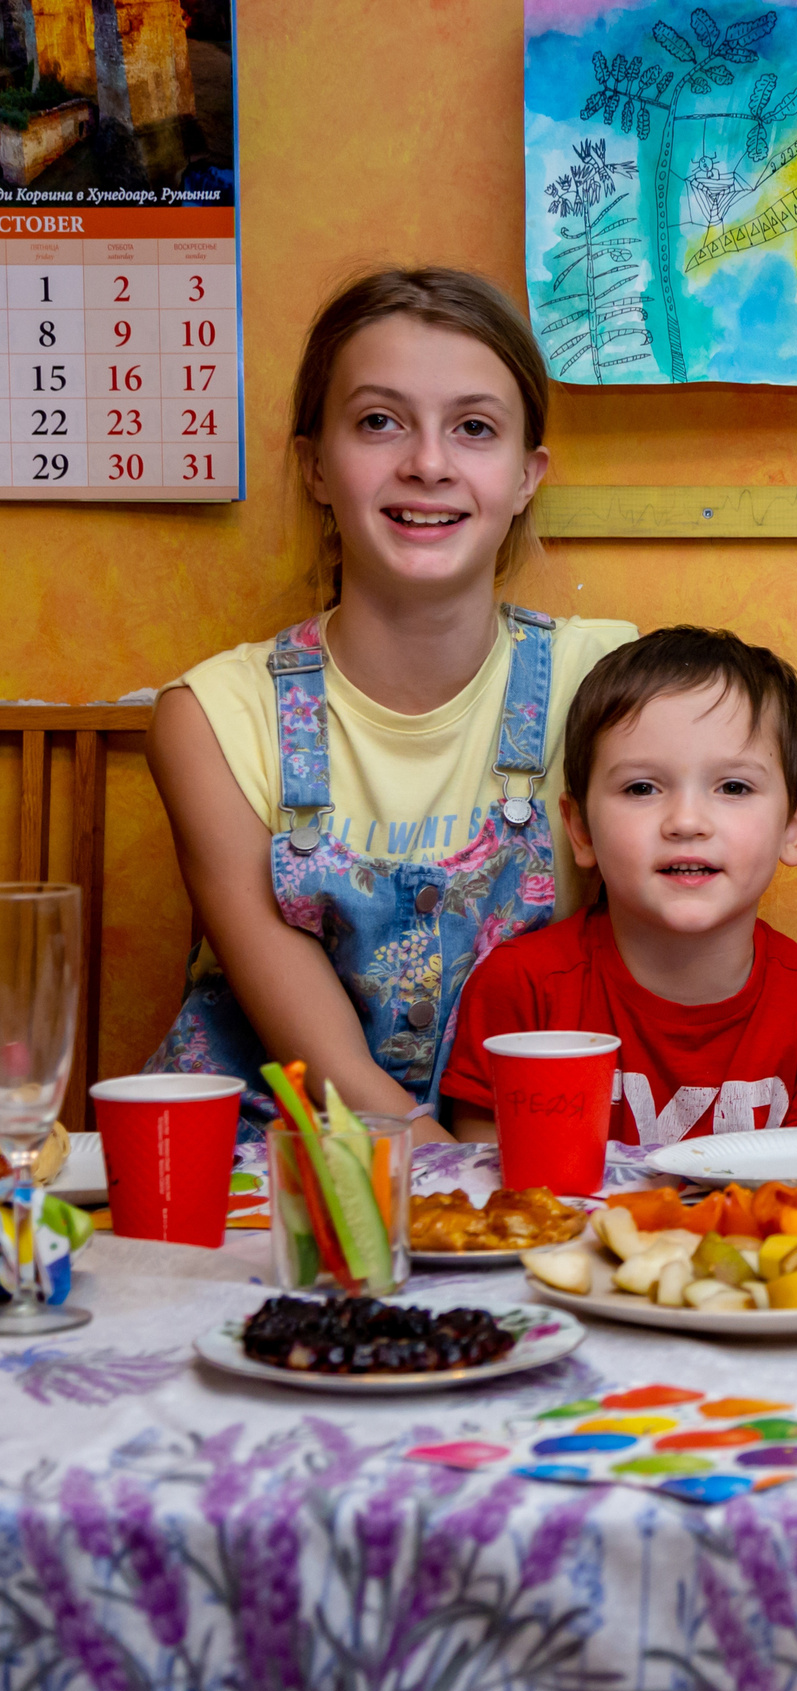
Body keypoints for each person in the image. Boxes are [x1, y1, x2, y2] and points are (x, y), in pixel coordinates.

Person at [145, 268, 637, 1140]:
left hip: (517, 1148)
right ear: (315, 466)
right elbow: (325, 1065)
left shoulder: (607, 682)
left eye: (474, 428)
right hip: (270, 1164)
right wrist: (457, 1190)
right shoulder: (214, 716)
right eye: (379, 421)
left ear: (528, 476)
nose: (428, 463)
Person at [438, 627, 797, 1144]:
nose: (686, 821)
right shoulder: (521, 991)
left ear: (793, 827)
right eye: (641, 787)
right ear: (580, 829)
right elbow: (488, 1194)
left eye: (733, 787)